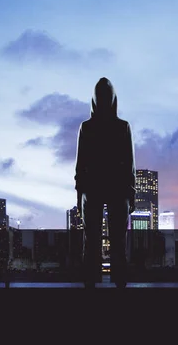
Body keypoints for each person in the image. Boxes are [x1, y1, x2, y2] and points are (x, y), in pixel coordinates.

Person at [74, 77, 136, 289]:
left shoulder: (90, 127)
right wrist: (132, 193)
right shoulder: (119, 127)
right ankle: (114, 282)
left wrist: (79, 194)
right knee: (109, 240)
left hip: (96, 189)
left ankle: (93, 282)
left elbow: (80, 165)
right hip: (112, 189)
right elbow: (129, 163)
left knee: (96, 239)